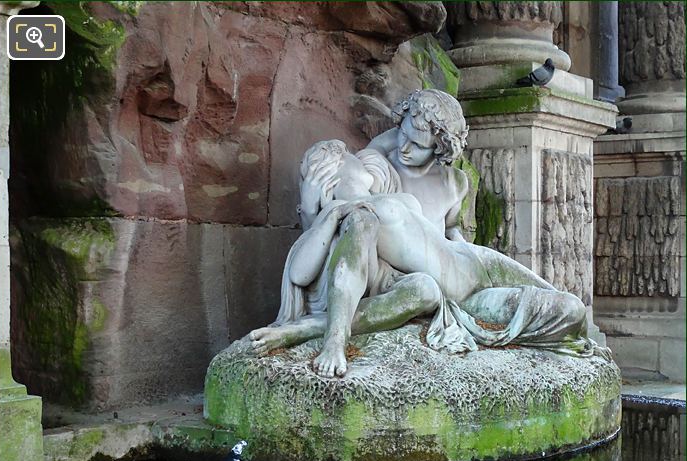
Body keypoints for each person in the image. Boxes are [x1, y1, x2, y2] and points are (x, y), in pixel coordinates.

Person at [251, 90, 599, 378]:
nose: (401, 148)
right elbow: (310, 265)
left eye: (416, 144)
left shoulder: (419, 189)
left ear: (440, 148)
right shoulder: (361, 207)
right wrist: (312, 206)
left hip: (473, 259)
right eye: (401, 135)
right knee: (570, 311)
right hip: (464, 300)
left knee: (571, 308)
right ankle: (319, 329)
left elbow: (452, 231)